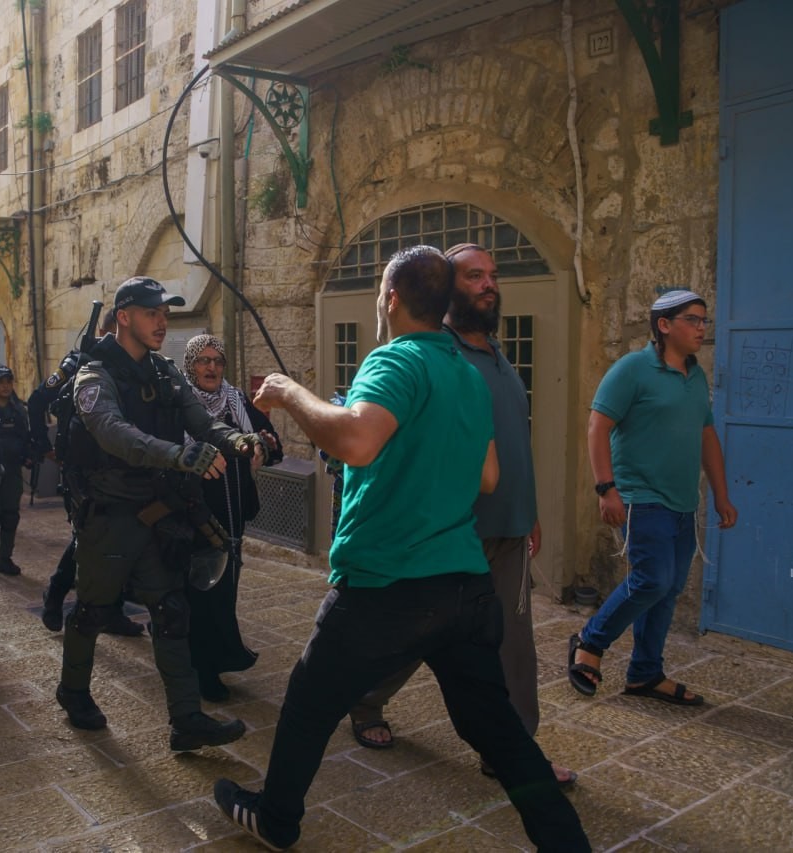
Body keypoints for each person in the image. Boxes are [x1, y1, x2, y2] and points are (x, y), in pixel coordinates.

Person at [213, 246, 589, 852]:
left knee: (309, 703)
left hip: (386, 583)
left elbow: (358, 442)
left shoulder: (395, 359)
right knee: (499, 733)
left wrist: (288, 393)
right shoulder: (467, 375)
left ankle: (276, 819)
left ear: (390, 299)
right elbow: (488, 475)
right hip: (464, 585)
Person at [344, 243, 576, 785]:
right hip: (451, 530)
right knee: (416, 633)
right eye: (474, 276)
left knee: (513, 645)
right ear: (446, 289)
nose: (489, 284)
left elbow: (514, 443)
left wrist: (528, 511)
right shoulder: (433, 356)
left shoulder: (497, 356)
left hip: (508, 529)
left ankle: (511, 750)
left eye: (492, 275)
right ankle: (365, 699)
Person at [55, 276, 266, 751]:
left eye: (165, 314)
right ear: (123, 316)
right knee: (91, 611)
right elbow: (113, 431)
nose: (162, 322)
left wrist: (236, 439)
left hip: (159, 514)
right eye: (152, 313)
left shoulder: (166, 372)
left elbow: (202, 422)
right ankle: (72, 691)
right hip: (110, 517)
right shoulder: (95, 376)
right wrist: (177, 455)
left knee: (171, 611)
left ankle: (186, 719)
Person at [568, 289, 738, 705]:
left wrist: (721, 494)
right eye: (692, 320)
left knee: (668, 587)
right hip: (640, 497)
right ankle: (590, 642)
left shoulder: (695, 376)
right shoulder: (632, 369)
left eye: (704, 320)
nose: (701, 328)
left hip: (682, 503)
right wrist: (606, 488)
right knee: (652, 579)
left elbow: (707, 436)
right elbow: (598, 426)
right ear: (664, 325)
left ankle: (645, 673)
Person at [181, 333, 282, 702]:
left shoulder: (236, 400)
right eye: (203, 361)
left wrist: (265, 446)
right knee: (200, 592)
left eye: (218, 361)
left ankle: (216, 658)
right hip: (194, 516)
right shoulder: (180, 403)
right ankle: (202, 670)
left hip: (233, 516)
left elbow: (272, 444)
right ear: (190, 365)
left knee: (224, 592)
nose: (211, 368)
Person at [30, 309, 142, 636]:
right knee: (87, 536)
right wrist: (43, 447)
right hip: (84, 469)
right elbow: (37, 401)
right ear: (106, 332)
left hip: (119, 465)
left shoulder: (132, 366)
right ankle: (55, 594)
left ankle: (113, 611)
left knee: (120, 536)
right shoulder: (78, 363)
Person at [0, 365, 31, 575]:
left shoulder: (17, 409)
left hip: (12, 469)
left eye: (8, 382)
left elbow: (24, 436)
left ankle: (5, 558)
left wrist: (28, 455)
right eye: (1, 382)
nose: (5, 386)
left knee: (10, 515)